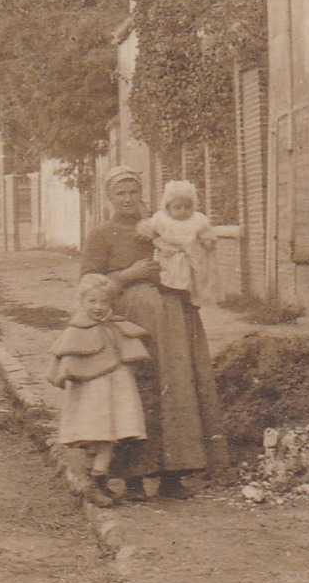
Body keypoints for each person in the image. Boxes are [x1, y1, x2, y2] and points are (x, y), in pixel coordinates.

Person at [81, 166, 227, 500]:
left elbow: (195, 252)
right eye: (121, 193)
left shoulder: (166, 223)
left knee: (177, 391)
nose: (129, 199)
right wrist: (126, 276)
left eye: (134, 192)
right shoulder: (101, 234)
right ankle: (133, 479)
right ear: (109, 198)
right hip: (130, 327)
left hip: (176, 321)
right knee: (138, 393)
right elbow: (88, 283)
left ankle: (173, 476)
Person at [47, 275, 149, 507]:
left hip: (117, 391)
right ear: (81, 302)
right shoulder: (77, 330)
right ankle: (93, 483)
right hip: (92, 394)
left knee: (111, 436)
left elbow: (131, 353)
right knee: (97, 436)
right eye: (92, 301)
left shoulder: (116, 326)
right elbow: (63, 362)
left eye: (104, 302)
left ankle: (98, 482)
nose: (98, 307)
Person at [138, 179, 218, 296]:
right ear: (168, 207)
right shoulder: (162, 219)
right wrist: (159, 242)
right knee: (170, 286)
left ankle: (190, 300)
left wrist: (207, 241)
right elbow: (150, 233)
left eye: (188, 207)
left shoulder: (197, 220)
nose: (183, 211)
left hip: (192, 259)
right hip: (169, 260)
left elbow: (206, 234)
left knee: (192, 286)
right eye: (177, 207)